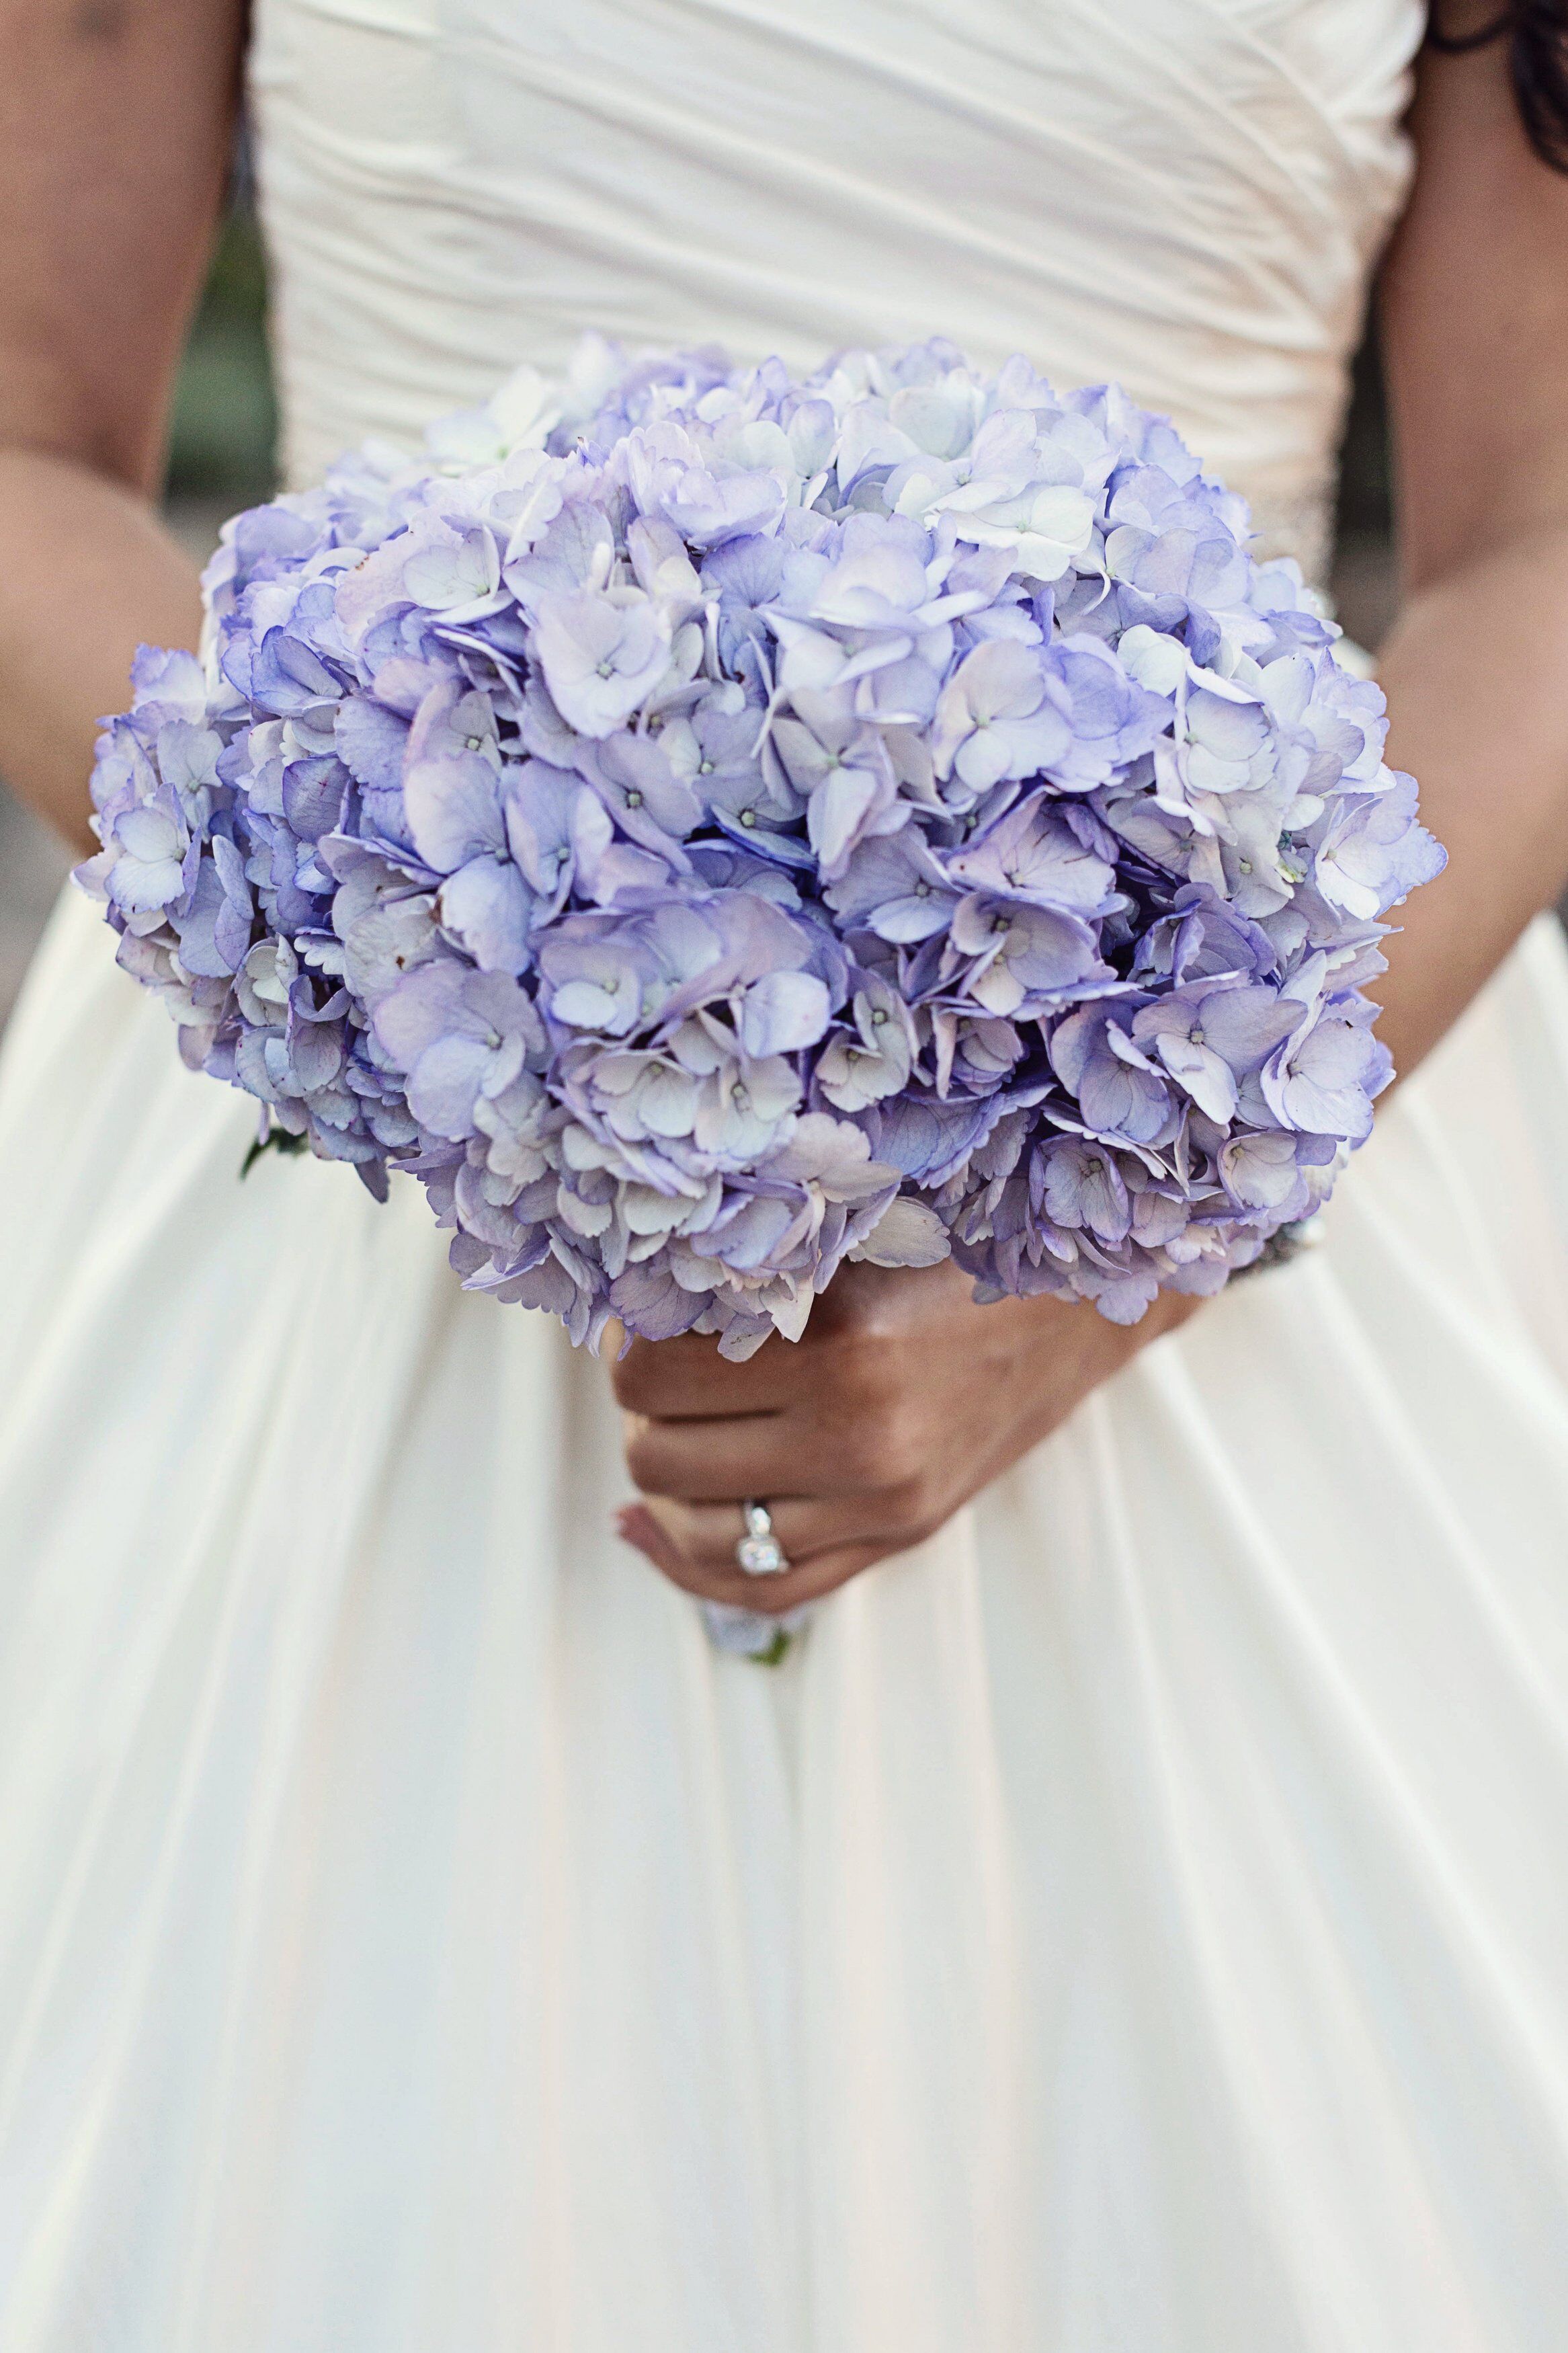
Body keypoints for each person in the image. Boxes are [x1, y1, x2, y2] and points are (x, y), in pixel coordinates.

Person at [3, 0, 1568, 2342]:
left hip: (1205, 1157)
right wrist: (435, 990)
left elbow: (1541, 553)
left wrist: (1099, 1274)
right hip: (369, 1188)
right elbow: (21, 437)